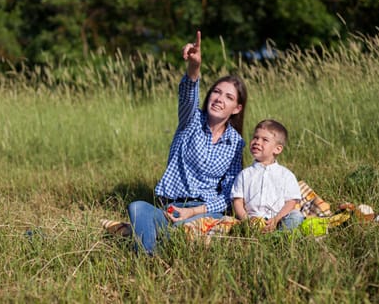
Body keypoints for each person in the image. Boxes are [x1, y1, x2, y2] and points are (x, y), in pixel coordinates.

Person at [127, 31, 248, 254]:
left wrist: (193, 213)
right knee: (137, 208)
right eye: (216, 92)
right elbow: (187, 96)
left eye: (229, 97)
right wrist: (194, 68)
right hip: (170, 207)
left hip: (203, 211)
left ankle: (158, 247)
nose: (220, 99)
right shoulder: (191, 121)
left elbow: (229, 194)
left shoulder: (236, 143)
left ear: (237, 109)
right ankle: (152, 256)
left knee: (185, 228)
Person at [231, 119, 304, 232]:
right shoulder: (244, 174)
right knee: (230, 222)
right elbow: (237, 201)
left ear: (277, 149)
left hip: (279, 219)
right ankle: (251, 233)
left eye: (265, 140)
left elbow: (291, 202)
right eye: (255, 137)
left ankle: (280, 237)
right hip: (252, 220)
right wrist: (246, 220)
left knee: (296, 216)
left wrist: (276, 219)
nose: (257, 142)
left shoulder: (286, 175)